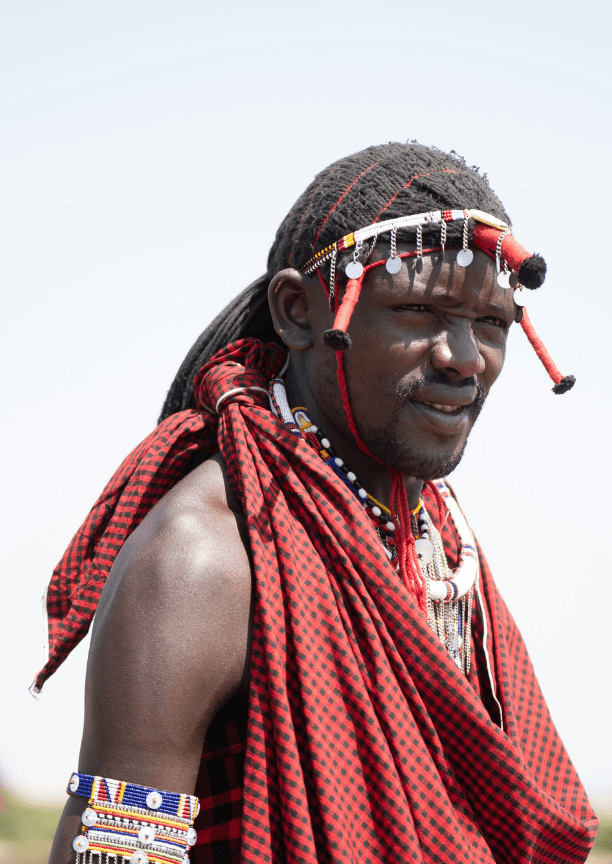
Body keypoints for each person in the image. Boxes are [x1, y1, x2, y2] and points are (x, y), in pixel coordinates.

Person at [42, 142, 596, 864]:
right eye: (420, 308)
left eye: (490, 323)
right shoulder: (205, 558)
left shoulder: (435, 540)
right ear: (299, 312)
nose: (465, 357)